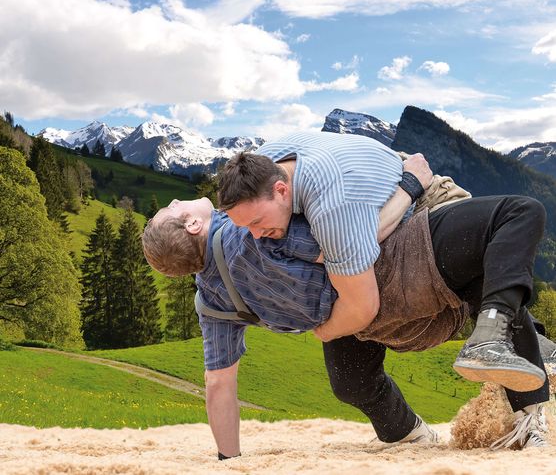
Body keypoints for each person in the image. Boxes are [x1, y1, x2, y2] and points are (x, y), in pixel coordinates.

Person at [142, 196, 554, 459]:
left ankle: (407, 433)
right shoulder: (251, 226)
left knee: (353, 383)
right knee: (516, 215)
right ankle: (528, 407)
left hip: (369, 328)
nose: (177, 198)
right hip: (400, 272)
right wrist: (410, 185)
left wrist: (228, 459)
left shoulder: (212, 300)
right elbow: (345, 237)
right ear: (192, 226)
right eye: (173, 209)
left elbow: (219, 384)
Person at [217, 131, 551, 449]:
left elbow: (361, 265)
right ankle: (413, 434)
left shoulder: (330, 200)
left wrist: (410, 185)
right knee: (350, 381)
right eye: (245, 226)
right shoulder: (260, 164)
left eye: (257, 223)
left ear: (281, 189)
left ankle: (522, 394)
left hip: (424, 206)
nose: (255, 235)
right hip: (379, 210)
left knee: (514, 219)